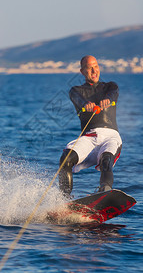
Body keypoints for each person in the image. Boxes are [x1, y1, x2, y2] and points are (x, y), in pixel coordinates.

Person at [59, 55, 122, 196]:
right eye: (89, 68)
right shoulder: (76, 90)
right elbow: (77, 98)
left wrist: (107, 99)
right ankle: (63, 200)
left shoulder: (110, 86)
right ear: (82, 72)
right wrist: (85, 104)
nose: (94, 71)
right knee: (65, 160)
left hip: (110, 137)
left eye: (96, 67)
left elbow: (113, 93)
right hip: (90, 137)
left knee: (106, 160)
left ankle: (104, 192)